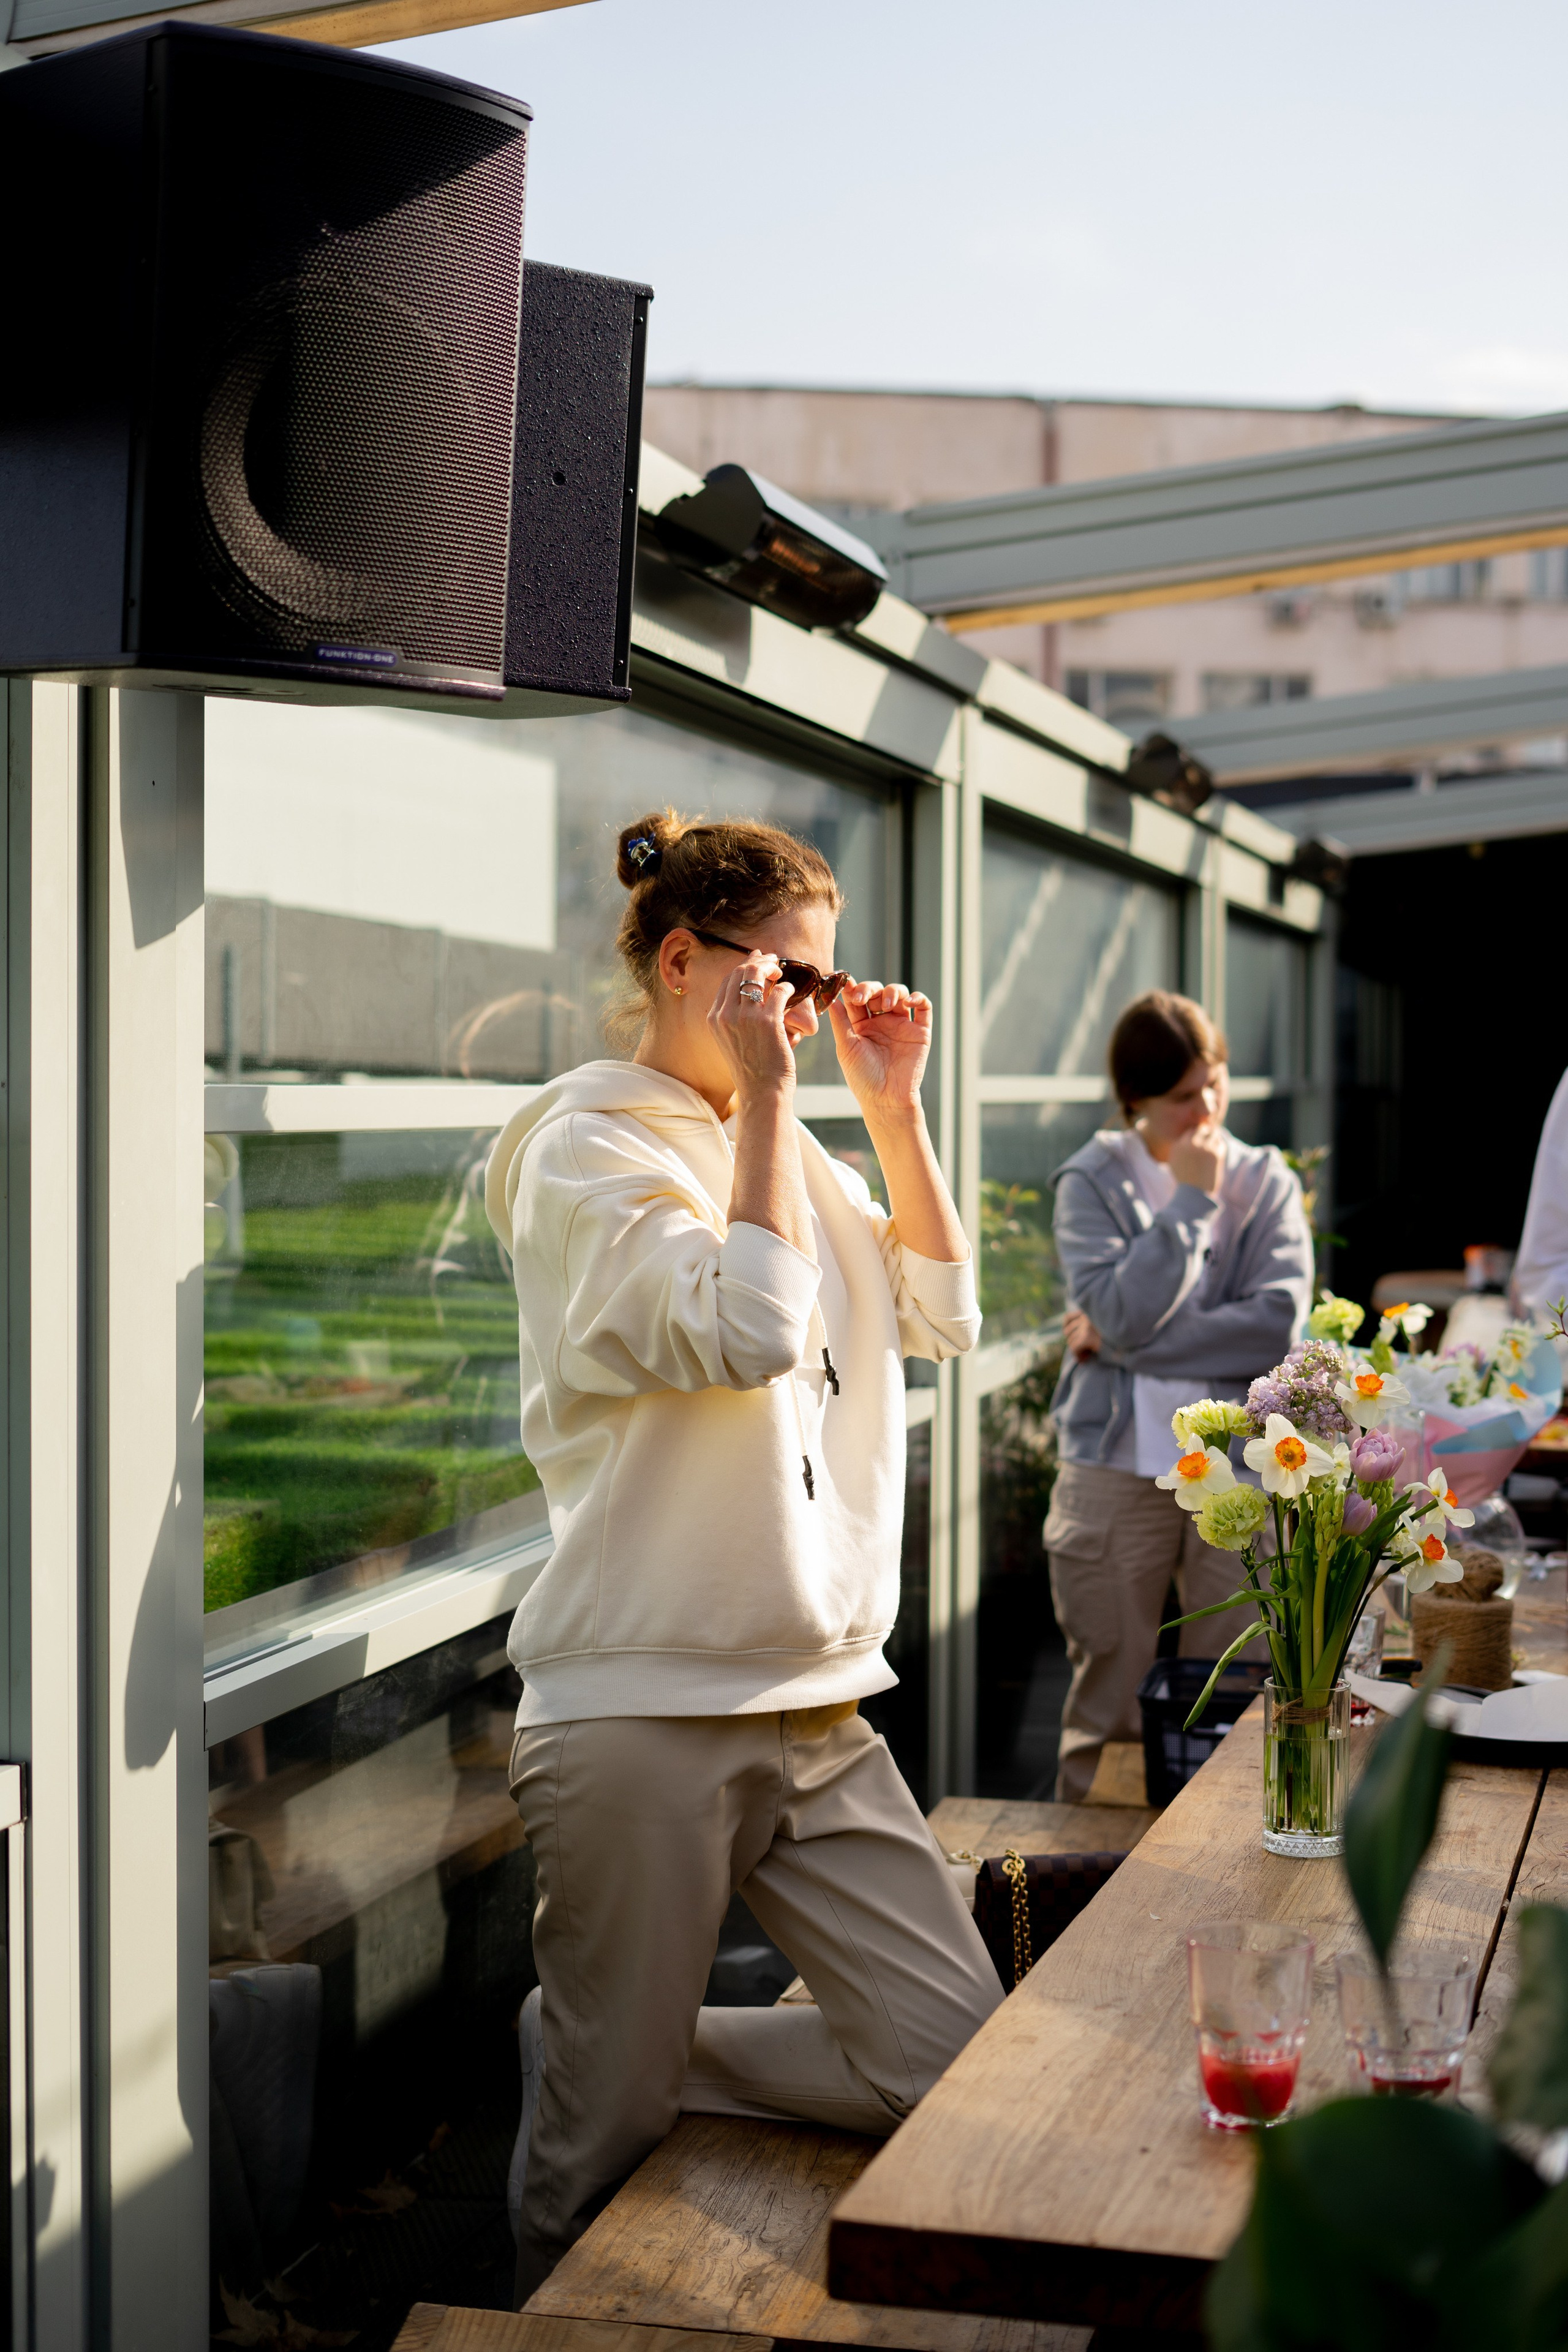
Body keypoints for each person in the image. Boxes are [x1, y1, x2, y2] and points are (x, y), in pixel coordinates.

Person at [484, 807, 998, 2304]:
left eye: (819, 986)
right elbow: (744, 1327)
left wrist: (885, 1108)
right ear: (678, 960)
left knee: (954, 2068)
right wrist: (774, 1106)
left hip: (815, 1699)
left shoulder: (791, 1147)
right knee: (596, 2151)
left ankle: (623, 2033)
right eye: (778, 982)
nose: (799, 1014)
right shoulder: (585, 1148)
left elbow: (942, 1319)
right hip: (641, 1707)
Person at [1044, 990, 1313, 1803]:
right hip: (1115, 1471)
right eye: (1183, 1095)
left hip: (1237, 1472)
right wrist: (1192, 1206)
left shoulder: (1265, 1180)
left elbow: (1273, 1327)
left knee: (1232, 1693)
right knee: (1109, 1705)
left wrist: (1123, 1340)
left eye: (1215, 1083)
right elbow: (1121, 1308)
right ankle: (1074, 1902)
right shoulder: (1092, 1178)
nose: (1206, 1109)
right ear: (1135, 1101)